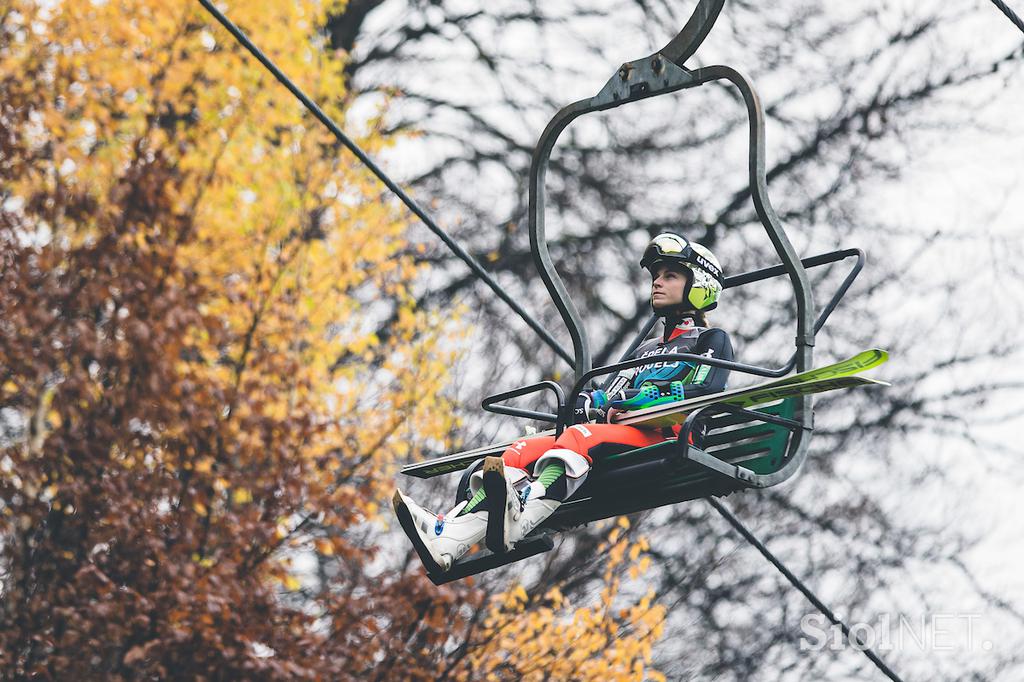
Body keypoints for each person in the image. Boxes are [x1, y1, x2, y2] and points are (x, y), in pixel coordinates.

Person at [393, 232, 734, 574]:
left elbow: (703, 391)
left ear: (699, 283)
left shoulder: (709, 340)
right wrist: (590, 400)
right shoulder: (646, 350)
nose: (657, 283)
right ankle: (449, 537)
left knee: (579, 437)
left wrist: (642, 401)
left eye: (670, 276)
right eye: (656, 276)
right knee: (520, 449)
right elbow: (612, 394)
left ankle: (522, 519)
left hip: (666, 436)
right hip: (622, 437)